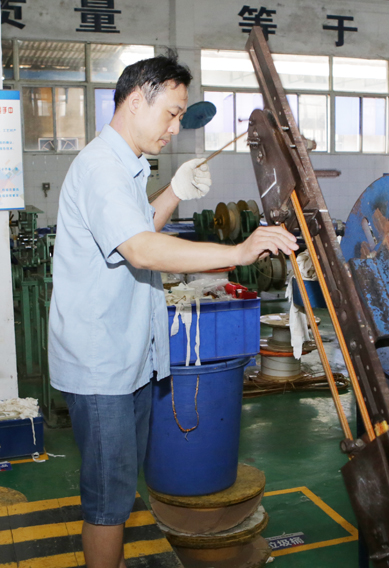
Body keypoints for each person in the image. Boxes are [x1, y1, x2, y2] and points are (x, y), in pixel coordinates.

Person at [47, 53, 297, 568]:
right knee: (109, 502)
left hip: (128, 357)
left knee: (120, 491)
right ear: (136, 101)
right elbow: (141, 249)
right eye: (173, 113)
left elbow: (139, 226)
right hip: (101, 365)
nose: (176, 126)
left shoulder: (125, 167)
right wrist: (238, 251)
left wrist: (175, 192)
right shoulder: (101, 168)